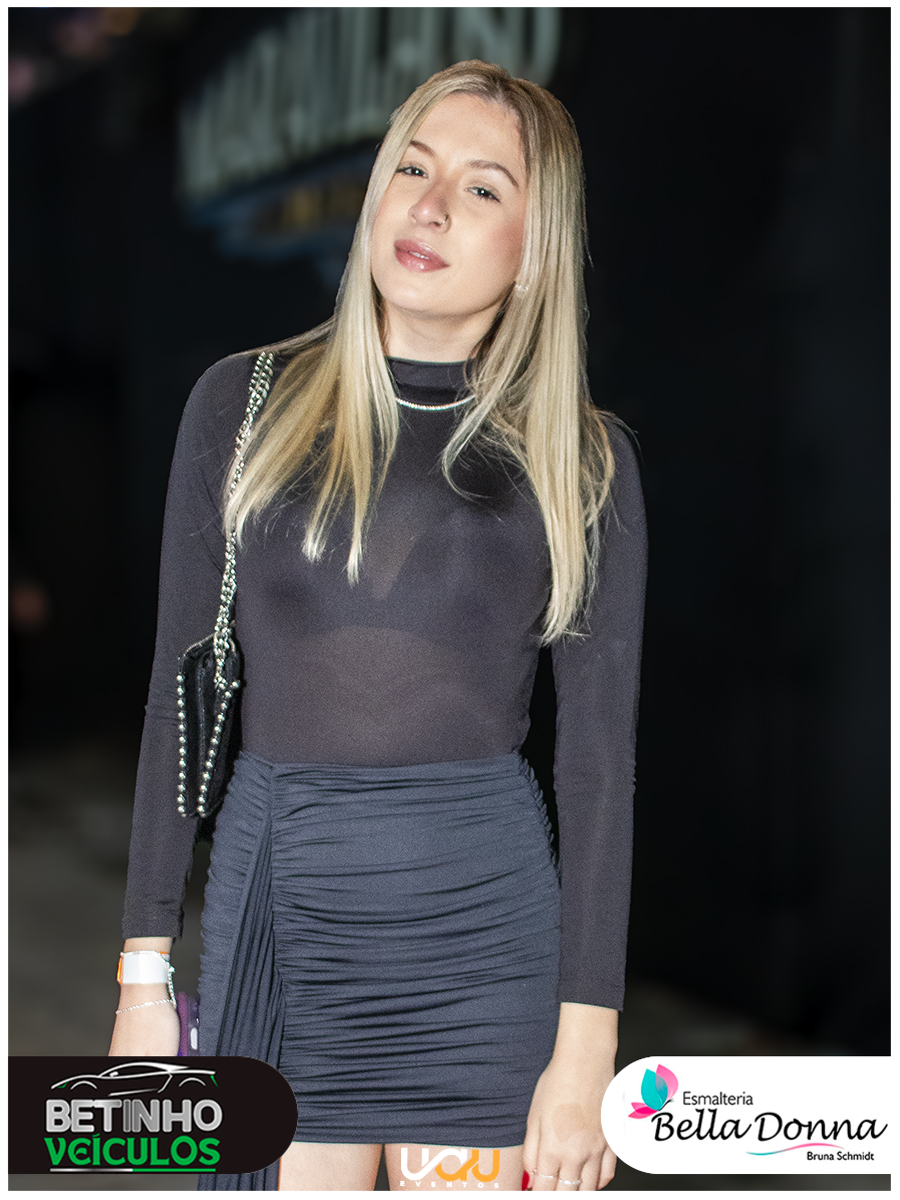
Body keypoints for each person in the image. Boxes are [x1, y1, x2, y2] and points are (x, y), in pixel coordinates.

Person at [110, 60, 647, 1193]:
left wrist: (584, 1046)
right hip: (280, 915)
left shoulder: (582, 460)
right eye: (412, 167)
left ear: (535, 247)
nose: (431, 204)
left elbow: (599, 765)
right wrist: (142, 975)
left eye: (483, 187)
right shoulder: (242, 403)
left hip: (482, 941)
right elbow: (179, 691)